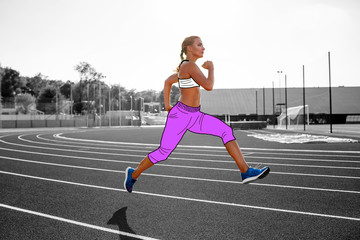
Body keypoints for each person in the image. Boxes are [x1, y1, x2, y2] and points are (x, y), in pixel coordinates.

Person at [124, 36, 270, 193]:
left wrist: (167, 104)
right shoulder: (189, 66)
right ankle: (134, 174)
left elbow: (168, 81)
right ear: (189, 48)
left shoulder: (187, 68)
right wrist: (212, 68)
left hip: (195, 116)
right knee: (163, 153)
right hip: (180, 117)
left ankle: (245, 171)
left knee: (225, 131)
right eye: (199, 45)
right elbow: (208, 86)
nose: (203, 48)